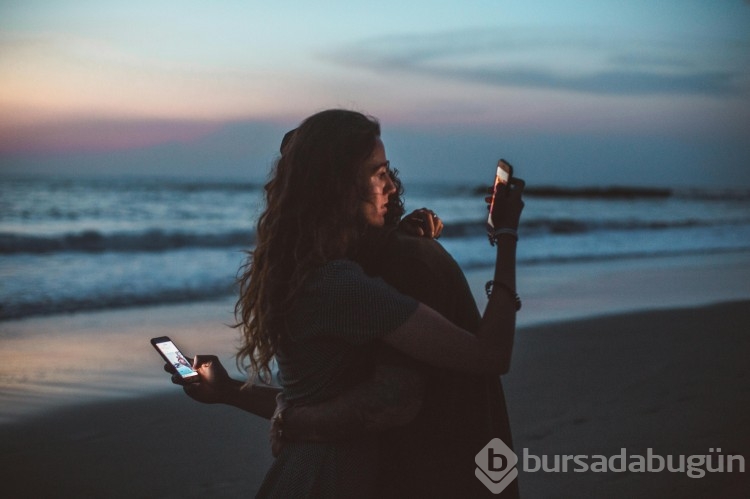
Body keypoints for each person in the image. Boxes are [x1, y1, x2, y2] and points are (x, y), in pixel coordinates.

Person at [168, 109, 524, 498]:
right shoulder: (340, 285)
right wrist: (506, 236)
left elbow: (310, 405)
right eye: (379, 173)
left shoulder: (307, 269)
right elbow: (490, 354)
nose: (391, 185)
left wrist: (226, 391)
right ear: (339, 185)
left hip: (309, 473)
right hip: (324, 481)